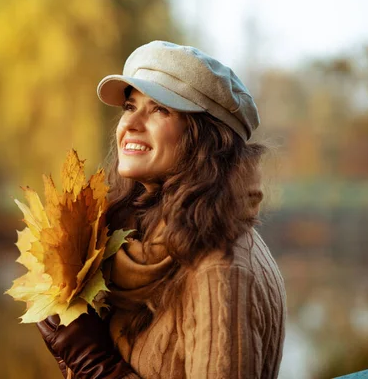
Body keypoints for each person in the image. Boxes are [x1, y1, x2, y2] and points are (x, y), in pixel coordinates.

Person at [37, 41, 287, 378]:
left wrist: (94, 364)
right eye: (130, 106)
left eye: (160, 109)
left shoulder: (218, 271)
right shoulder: (137, 242)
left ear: (205, 139)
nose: (131, 123)